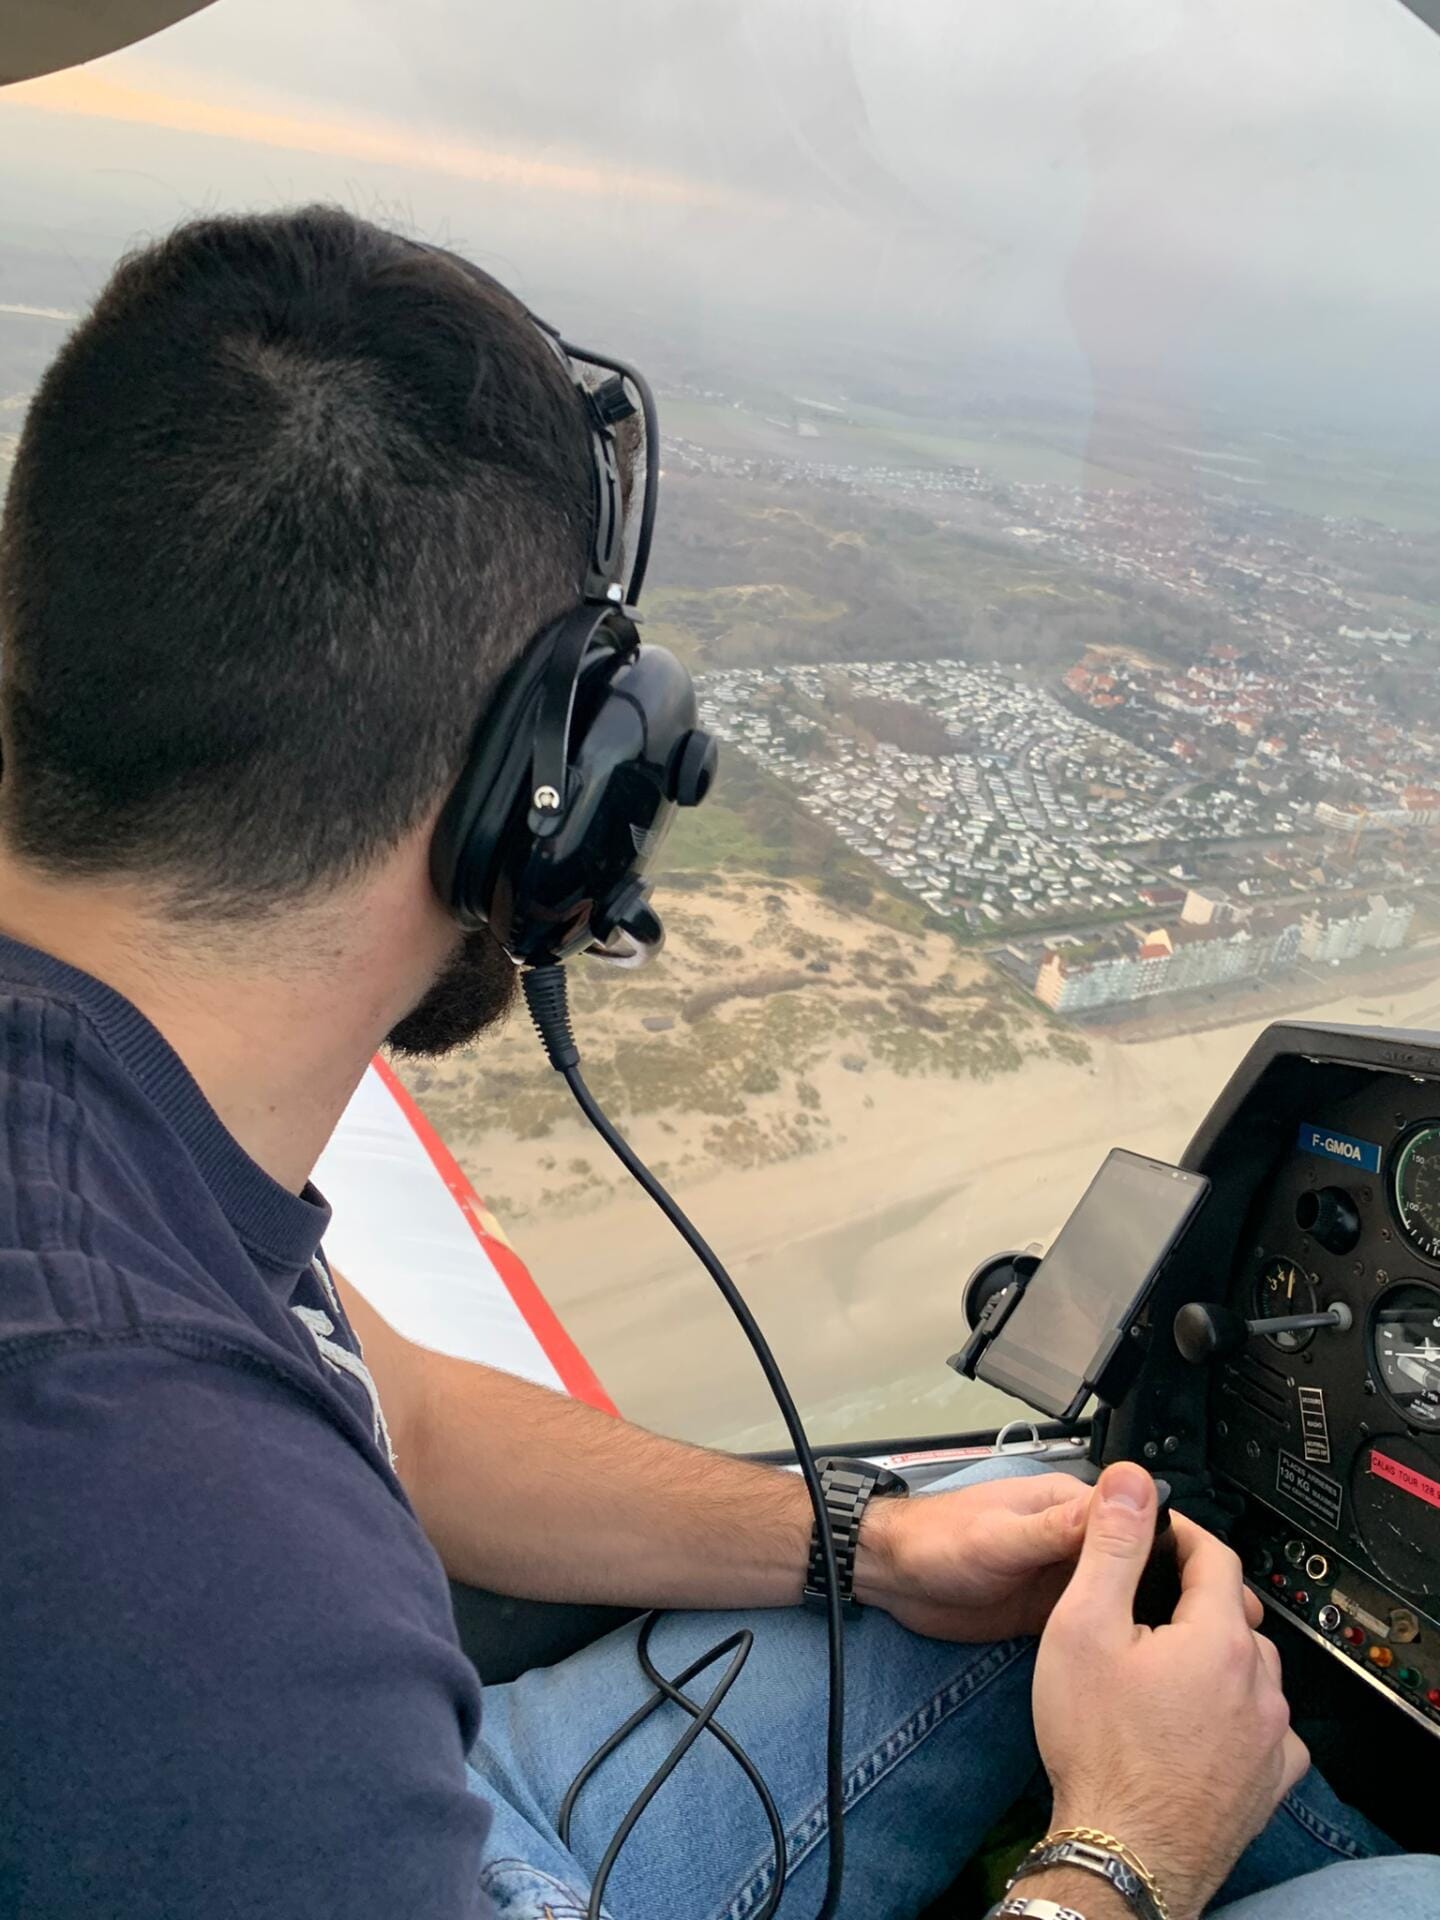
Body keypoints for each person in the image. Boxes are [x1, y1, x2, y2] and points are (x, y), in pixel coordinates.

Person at [0, 206, 1433, 1920]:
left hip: (419, 1806)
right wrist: (1122, 1853)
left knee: (1021, 1523)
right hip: (415, 1853)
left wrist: (869, 1542)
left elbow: (417, 1425)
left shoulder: (117, 1123)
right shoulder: (142, 1491)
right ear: (557, 791)